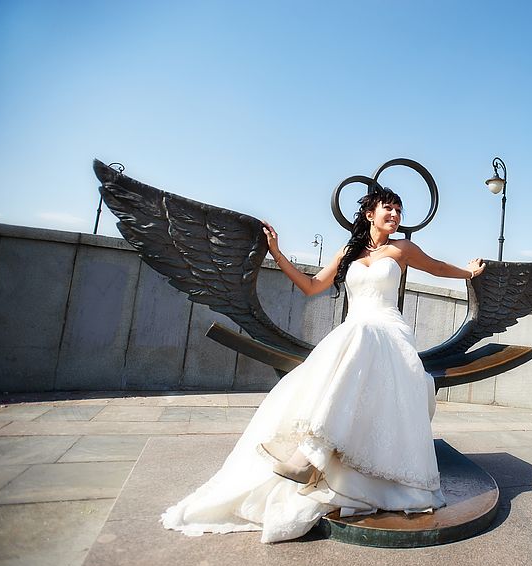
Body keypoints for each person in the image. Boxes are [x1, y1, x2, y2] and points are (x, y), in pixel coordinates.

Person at [161, 187, 486, 543]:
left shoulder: (402, 249)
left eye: (398, 209)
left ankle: (310, 456)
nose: (394, 214)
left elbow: (437, 268)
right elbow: (312, 286)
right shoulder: (348, 252)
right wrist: (278, 253)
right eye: (387, 208)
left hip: (389, 330)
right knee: (352, 341)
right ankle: (312, 453)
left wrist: (467, 274)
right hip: (356, 331)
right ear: (369, 215)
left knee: (361, 336)